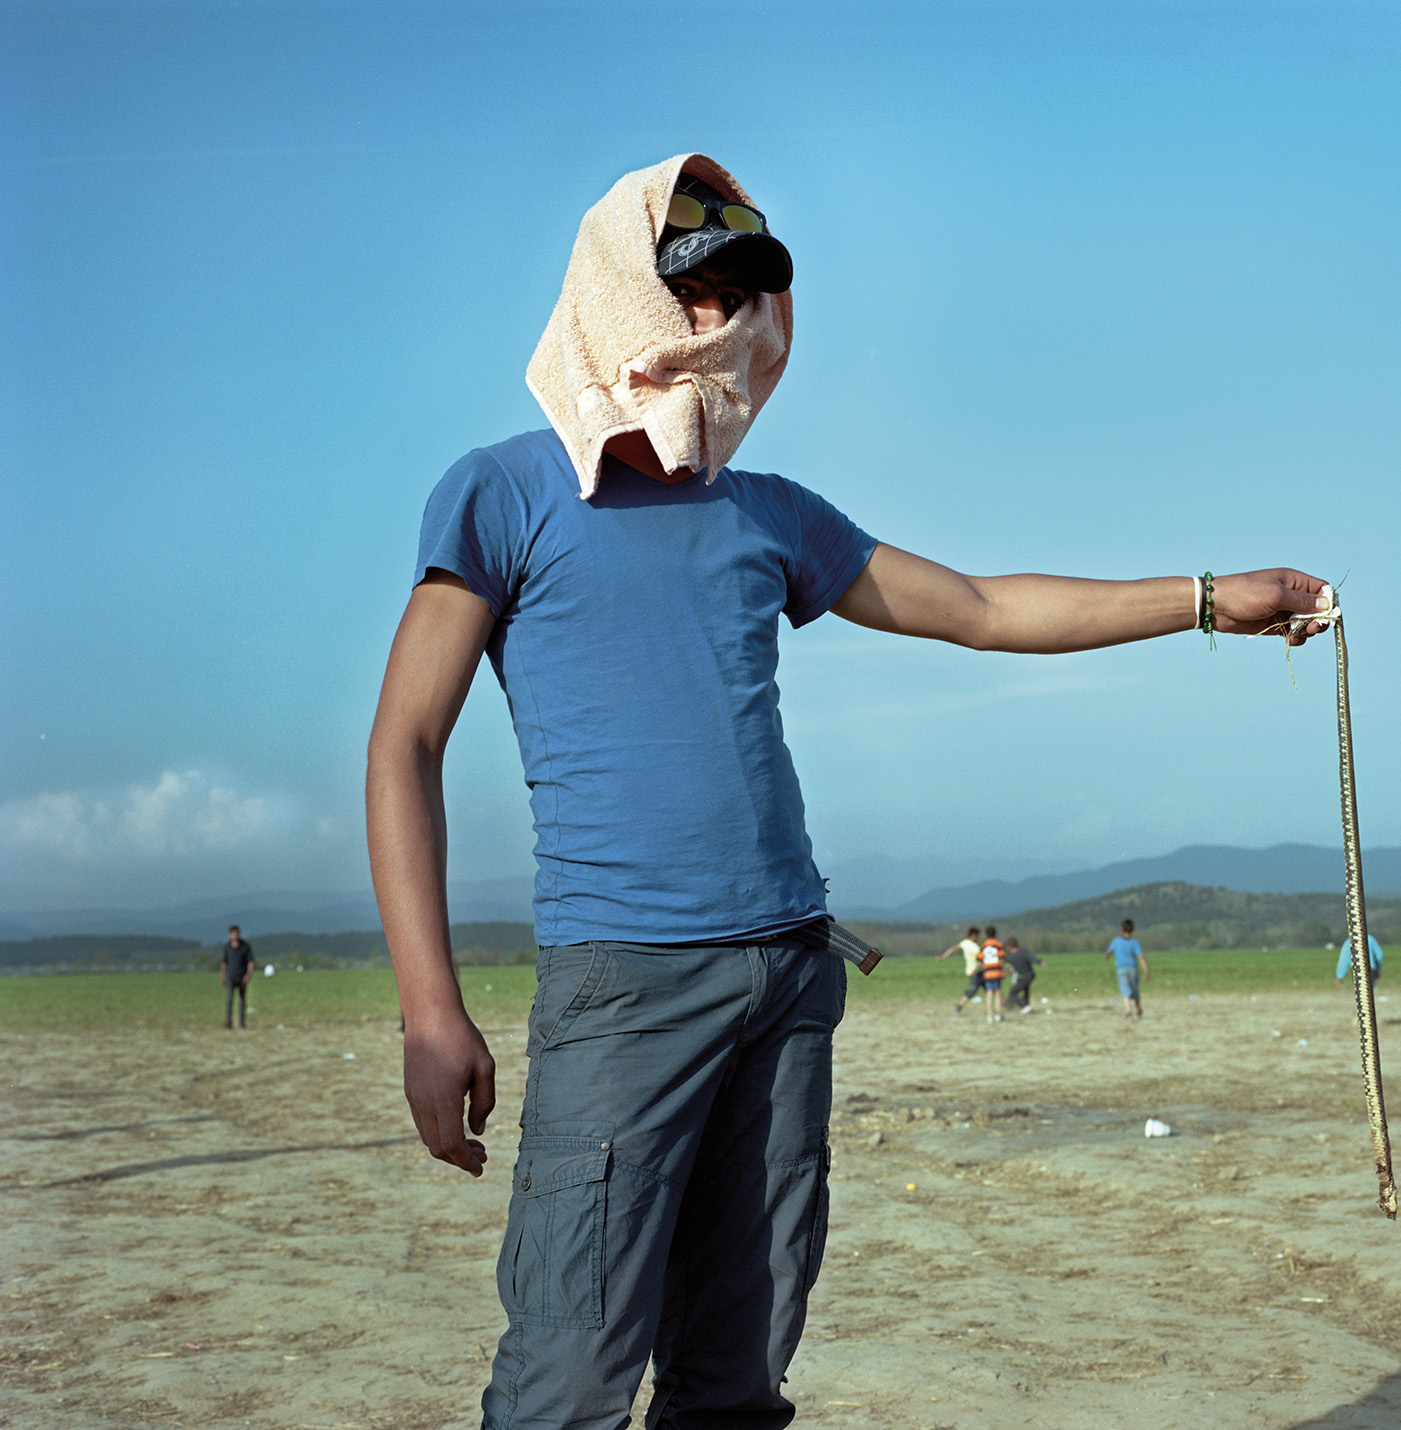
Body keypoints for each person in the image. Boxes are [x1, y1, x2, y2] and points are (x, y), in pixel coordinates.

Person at [365, 152, 1334, 1430]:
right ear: (621, 291)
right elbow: (403, 745)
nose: (728, 326)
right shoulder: (504, 490)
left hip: (787, 980)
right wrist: (429, 1008)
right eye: (698, 292)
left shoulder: (772, 514)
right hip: (624, 987)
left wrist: (1211, 600)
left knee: (736, 1377)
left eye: (748, 297)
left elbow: (984, 609)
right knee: (566, 1381)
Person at [1106, 919, 1148, 1018]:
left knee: (1125, 989)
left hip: (1121, 969)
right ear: (1133, 930)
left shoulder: (1116, 941)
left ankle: (1128, 1010)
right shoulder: (1135, 943)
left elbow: (1109, 952)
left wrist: (1107, 956)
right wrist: (1146, 970)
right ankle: (1138, 1008)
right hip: (1133, 969)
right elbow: (1141, 957)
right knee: (1135, 990)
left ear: (1122, 929)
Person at [937, 925, 984, 1013]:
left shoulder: (964, 943)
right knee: (973, 990)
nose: (978, 938)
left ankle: (1006, 1004)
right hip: (974, 972)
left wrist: (943, 956)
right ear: (973, 935)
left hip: (979, 972)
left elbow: (953, 949)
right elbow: (981, 960)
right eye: (977, 936)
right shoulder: (974, 947)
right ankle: (959, 1006)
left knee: (992, 988)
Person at [219, 926, 255, 1029]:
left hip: (242, 977)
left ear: (239, 934)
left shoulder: (245, 946)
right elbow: (224, 963)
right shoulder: (227, 947)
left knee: (242, 1000)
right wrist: (222, 976)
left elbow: (250, 961)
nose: (234, 935)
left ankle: (242, 1023)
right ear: (229, 935)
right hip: (230, 976)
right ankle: (228, 1021)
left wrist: (249, 974)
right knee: (229, 999)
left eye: (236, 933)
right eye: (232, 934)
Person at [1004, 935, 1044, 1011]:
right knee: (1026, 989)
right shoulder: (1023, 952)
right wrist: (1040, 961)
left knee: (1013, 993)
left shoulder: (1012, 957)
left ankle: (1025, 1006)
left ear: (1009, 947)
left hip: (1025, 976)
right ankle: (1027, 1004)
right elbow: (1031, 957)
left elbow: (1003, 961)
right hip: (1030, 975)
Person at [979, 926, 1007, 1021]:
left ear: (985, 935)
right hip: (997, 972)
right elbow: (1001, 958)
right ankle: (998, 1014)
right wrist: (1004, 969)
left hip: (987, 972)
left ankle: (989, 1015)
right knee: (997, 993)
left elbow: (980, 959)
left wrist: (976, 970)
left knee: (989, 993)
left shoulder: (983, 946)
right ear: (995, 934)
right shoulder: (998, 944)